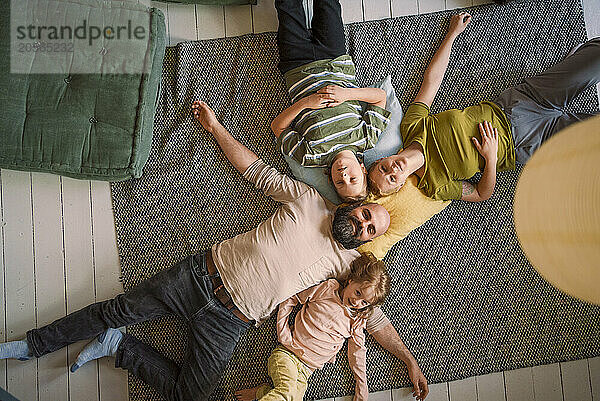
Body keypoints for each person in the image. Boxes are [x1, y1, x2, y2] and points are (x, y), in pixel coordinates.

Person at [0, 101, 428, 401]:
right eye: (367, 213)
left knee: (192, 394)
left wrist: (408, 360)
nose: (364, 223)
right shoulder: (308, 200)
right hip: (198, 277)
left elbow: (371, 318)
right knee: (114, 309)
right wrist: (215, 126)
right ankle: (32, 345)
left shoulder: (351, 268)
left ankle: (122, 349)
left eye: (371, 229)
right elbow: (255, 171)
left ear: (369, 240)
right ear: (357, 202)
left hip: (232, 322)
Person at [368, 13, 600, 202]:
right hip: (528, 142)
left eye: (383, 169)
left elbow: (432, 81)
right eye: (391, 179)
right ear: (399, 186)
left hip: (520, 103)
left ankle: (577, 61)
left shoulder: (412, 127)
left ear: (381, 160)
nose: (393, 170)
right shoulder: (434, 186)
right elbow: (481, 193)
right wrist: (490, 159)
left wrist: (452, 34)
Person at [271, 0, 392, 202]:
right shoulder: (366, 139)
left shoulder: (311, 157)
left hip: (296, 66)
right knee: (328, 6)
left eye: (339, 183)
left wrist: (305, 103)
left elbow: (277, 128)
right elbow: (380, 97)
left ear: (330, 182)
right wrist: (347, 95)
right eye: (353, 179)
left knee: (287, 8)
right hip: (335, 59)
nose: (343, 175)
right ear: (362, 169)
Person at [235, 252, 391, 401]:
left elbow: (357, 350)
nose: (357, 302)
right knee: (287, 393)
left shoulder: (357, 319)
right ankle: (271, 392)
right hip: (287, 355)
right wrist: (282, 331)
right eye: (357, 293)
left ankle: (263, 392)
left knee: (291, 397)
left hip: (307, 371)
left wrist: (361, 385)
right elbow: (292, 297)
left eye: (364, 302)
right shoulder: (328, 289)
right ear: (350, 281)